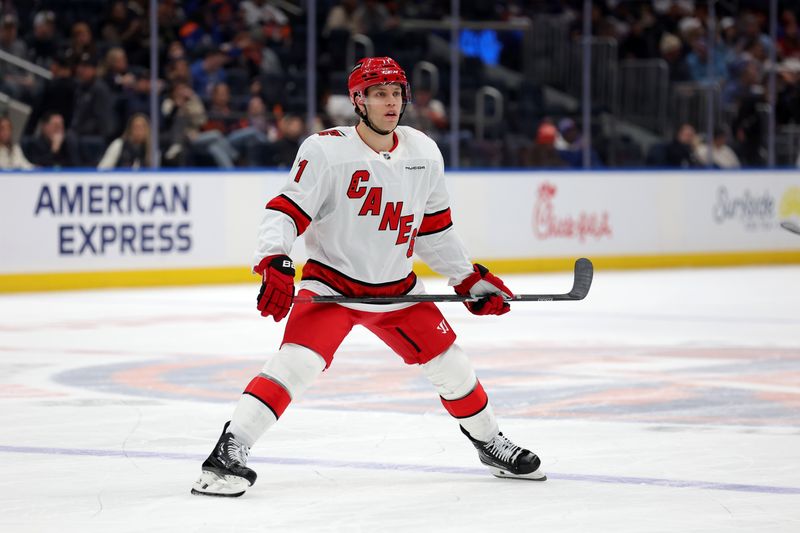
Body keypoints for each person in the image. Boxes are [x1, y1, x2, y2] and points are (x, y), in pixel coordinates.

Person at [191, 57, 545, 498]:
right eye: (380, 93)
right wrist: (276, 259)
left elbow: (435, 230)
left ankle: (490, 443)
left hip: (398, 289)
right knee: (296, 364)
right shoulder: (324, 151)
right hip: (333, 288)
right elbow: (285, 210)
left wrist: (467, 278)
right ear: (358, 100)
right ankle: (226, 454)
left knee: (452, 366)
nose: (391, 102)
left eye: (397, 93)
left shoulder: (423, 151)